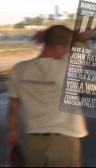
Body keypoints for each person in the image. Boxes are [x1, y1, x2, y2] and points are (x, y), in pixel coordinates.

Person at [7, 25, 88, 167]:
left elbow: (14, 105)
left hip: (34, 141)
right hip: (64, 141)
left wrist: (13, 131)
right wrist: (76, 37)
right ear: (59, 47)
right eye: (66, 47)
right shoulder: (67, 68)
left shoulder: (19, 69)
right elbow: (81, 40)